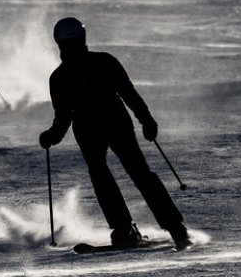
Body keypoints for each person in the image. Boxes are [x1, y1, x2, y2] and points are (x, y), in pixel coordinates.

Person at [38, 17, 192, 250]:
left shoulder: (60, 77)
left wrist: (52, 136)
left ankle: (136, 228)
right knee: (128, 174)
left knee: (111, 175)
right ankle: (166, 228)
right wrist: (146, 120)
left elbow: (64, 118)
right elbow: (127, 94)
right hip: (112, 124)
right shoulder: (102, 62)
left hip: (96, 128)